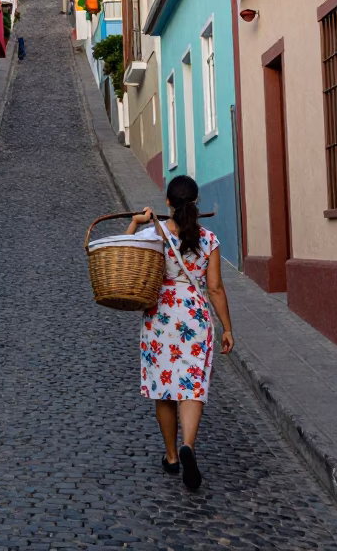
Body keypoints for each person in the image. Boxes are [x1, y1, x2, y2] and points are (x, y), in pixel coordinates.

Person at [125, 174, 234, 491]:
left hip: (160, 317)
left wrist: (134, 223)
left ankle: (172, 456)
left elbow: (125, 255)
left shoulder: (154, 234)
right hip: (195, 317)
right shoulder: (209, 240)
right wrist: (227, 327)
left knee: (165, 390)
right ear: (196, 204)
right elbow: (214, 288)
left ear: (168, 203)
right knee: (191, 385)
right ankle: (188, 444)